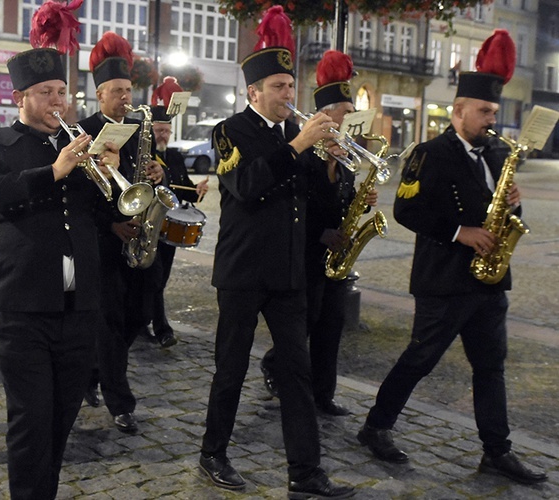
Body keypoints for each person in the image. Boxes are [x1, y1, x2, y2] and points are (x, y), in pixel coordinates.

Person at [357, 29, 547, 485]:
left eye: (494, 113)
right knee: (420, 360)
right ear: (459, 110)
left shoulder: (500, 153)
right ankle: (375, 427)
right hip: (443, 279)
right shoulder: (429, 153)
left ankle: (496, 452)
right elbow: (406, 209)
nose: (491, 121)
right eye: (484, 112)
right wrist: (461, 232)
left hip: (488, 281)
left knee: (491, 368)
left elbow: (502, 208)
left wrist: (515, 202)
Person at [198, 7, 354, 498]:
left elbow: (317, 202)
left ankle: (305, 471)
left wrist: (331, 168)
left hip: (289, 272)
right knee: (232, 366)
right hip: (244, 269)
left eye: (291, 86)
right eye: (280, 87)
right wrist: (300, 146)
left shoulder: (297, 136)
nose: (289, 95)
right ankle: (213, 452)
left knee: (297, 372)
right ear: (254, 92)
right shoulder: (229, 131)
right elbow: (245, 185)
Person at [0, 47, 119, 499]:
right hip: (22, 304)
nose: (58, 101)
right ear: (21, 98)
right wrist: (53, 171)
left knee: (62, 416)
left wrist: (114, 172)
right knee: (32, 420)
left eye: (62, 91)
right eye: (46, 92)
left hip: (78, 300)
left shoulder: (82, 144)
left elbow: (103, 213)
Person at [261, 50, 378, 416]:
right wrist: (322, 234)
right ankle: (275, 366)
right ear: (326, 116)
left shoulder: (344, 161)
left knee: (332, 326)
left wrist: (361, 199)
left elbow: (339, 204)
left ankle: (323, 395)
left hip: (335, 259)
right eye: (345, 113)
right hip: (308, 253)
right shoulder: (305, 154)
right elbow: (294, 207)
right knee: (305, 325)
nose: (351, 120)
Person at [78, 31, 167, 431]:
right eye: (116, 91)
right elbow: (76, 195)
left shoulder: (140, 127)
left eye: (128, 90)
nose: (125, 98)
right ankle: (120, 403)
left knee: (141, 314)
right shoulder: (82, 132)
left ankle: (92, 371)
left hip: (138, 237)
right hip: (102, 240)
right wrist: (109, 223)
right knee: (110, 323)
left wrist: (159, 171)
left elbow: (150, 180)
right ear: (100, 95)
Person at [149, 76, 209, 348]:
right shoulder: (144, 154)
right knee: (155, 277)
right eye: (159, 131)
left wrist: (196, 190)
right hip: (150, 226)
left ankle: (144, 322)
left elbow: (182, 189)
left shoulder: (173, 155)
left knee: (161, 278)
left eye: (166, 131)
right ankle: (162, 328)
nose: (163, 136)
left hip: (170, 227)